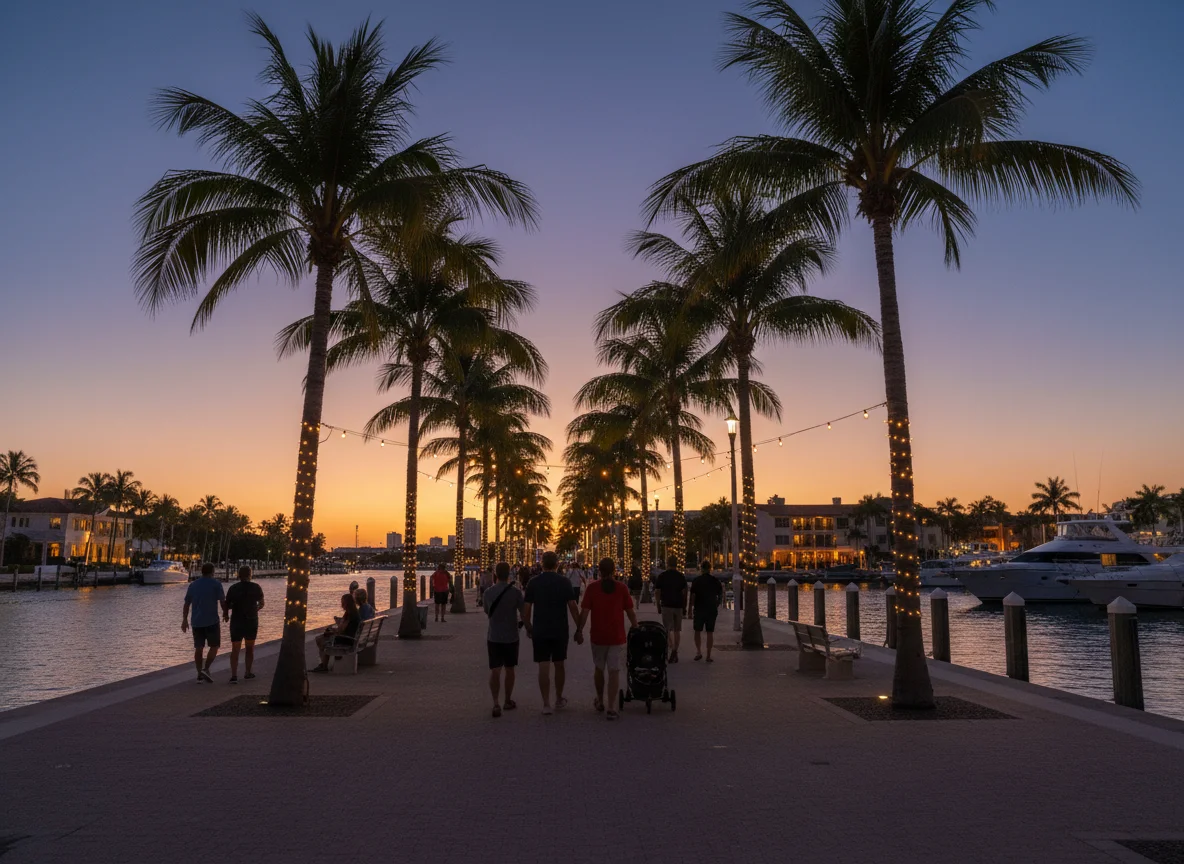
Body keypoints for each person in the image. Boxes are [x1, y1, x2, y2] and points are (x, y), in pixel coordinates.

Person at [576, 557, 638, 721]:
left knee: (599, 668)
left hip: (598, 636)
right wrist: (635, 626)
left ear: (600, 571)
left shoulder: (592, 588)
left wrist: (579, 630)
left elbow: (584, 613)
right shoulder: (622, 588)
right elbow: (630, 611)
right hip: (616, 636)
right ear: (613, 571)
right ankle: (611, 706)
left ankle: (600, 699)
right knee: (614, 670)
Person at [523, 551, 582, 715]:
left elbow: (526, 610)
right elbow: (573, 608)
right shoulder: (564, 582)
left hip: (540, 629)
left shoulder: (533, 583)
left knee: (543, 665)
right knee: (559, 663)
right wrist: (579, 628)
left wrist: (529, 627)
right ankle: (558, 698)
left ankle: (546, 704)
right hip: (559, 629)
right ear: (557, 564)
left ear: (542, 564)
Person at [484, 562, 525, 717]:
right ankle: (507, 700)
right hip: (511, 635)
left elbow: (487, 611)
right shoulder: (515, 592)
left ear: (495, 574)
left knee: (495, 670)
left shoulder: (488, 592)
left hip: (494, 635)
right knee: (510, 669)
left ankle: (495, 703)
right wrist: (528, 627)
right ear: (510, 574)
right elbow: (523, 611)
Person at [182, 562, 226, 683]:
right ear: (212, 571)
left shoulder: (193, 585)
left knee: (198, 647)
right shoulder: (216, 584)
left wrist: (184, 619)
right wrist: (226, 613)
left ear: (202, 571)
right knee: (214, 646)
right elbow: (222, 601)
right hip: (212, 620)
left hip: (196, 621)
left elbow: (186, 604)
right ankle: (206, 669)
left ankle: (199, 673)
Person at [223, 565, 264, 683]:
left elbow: (227, 604)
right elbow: (261, 603)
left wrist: (225, 614)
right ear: (250, 574)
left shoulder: (233, 588)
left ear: (239, 575)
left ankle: (234, 675)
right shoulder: (256, 587)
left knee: (235, 648)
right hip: (251, 620)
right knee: (250, 648)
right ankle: (248, 672)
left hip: (236, 620)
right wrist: (254, 609)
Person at [312, 593, 361, 672]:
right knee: (321, 638)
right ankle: (323, 664)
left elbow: (341, 630)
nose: (341, 604)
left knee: (320, 639)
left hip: (347, 640)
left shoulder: (350, 615)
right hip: (351, 637)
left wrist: (333, 630)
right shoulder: (354, 613)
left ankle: (324, 665)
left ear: (346, 603)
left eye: (342, 602)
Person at [653, 555, 688, 662]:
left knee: (667, 629)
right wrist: (684, 606)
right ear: (677, 563)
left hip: (666, 605)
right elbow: (685, 593)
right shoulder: (681, 576)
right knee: (677, 630)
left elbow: (657, 592)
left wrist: (658, 604)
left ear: (667, 563)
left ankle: (671, 647)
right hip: (678, 605)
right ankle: (675, 650)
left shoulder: (662, 576)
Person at [689, 561, 725, 662]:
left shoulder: (697, 580)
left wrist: (689, 610)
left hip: (699, 608)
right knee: (710, 632)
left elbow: (692, 596)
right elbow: (720, 594)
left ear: (701, 569)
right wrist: (717, 604)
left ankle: (698, 652)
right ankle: (708, 655)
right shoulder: (715, 580)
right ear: (710, 568)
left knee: (697, 631)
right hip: (711, 609)